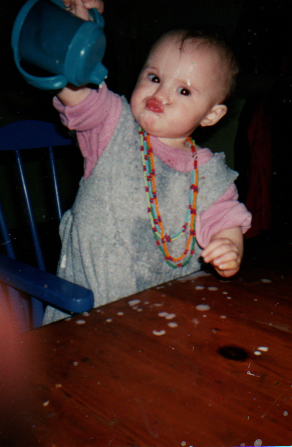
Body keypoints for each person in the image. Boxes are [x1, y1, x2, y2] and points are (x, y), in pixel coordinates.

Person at [43, 0, 251, 324]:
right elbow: (76, 89)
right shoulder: (112, 125)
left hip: (166, 317)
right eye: (154, 77)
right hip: (88, 313)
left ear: (211, 115)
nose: (162, 94)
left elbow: (226, 220)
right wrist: (72, 35)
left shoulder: (209, 174)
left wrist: (228, 245)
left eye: (184, 91)